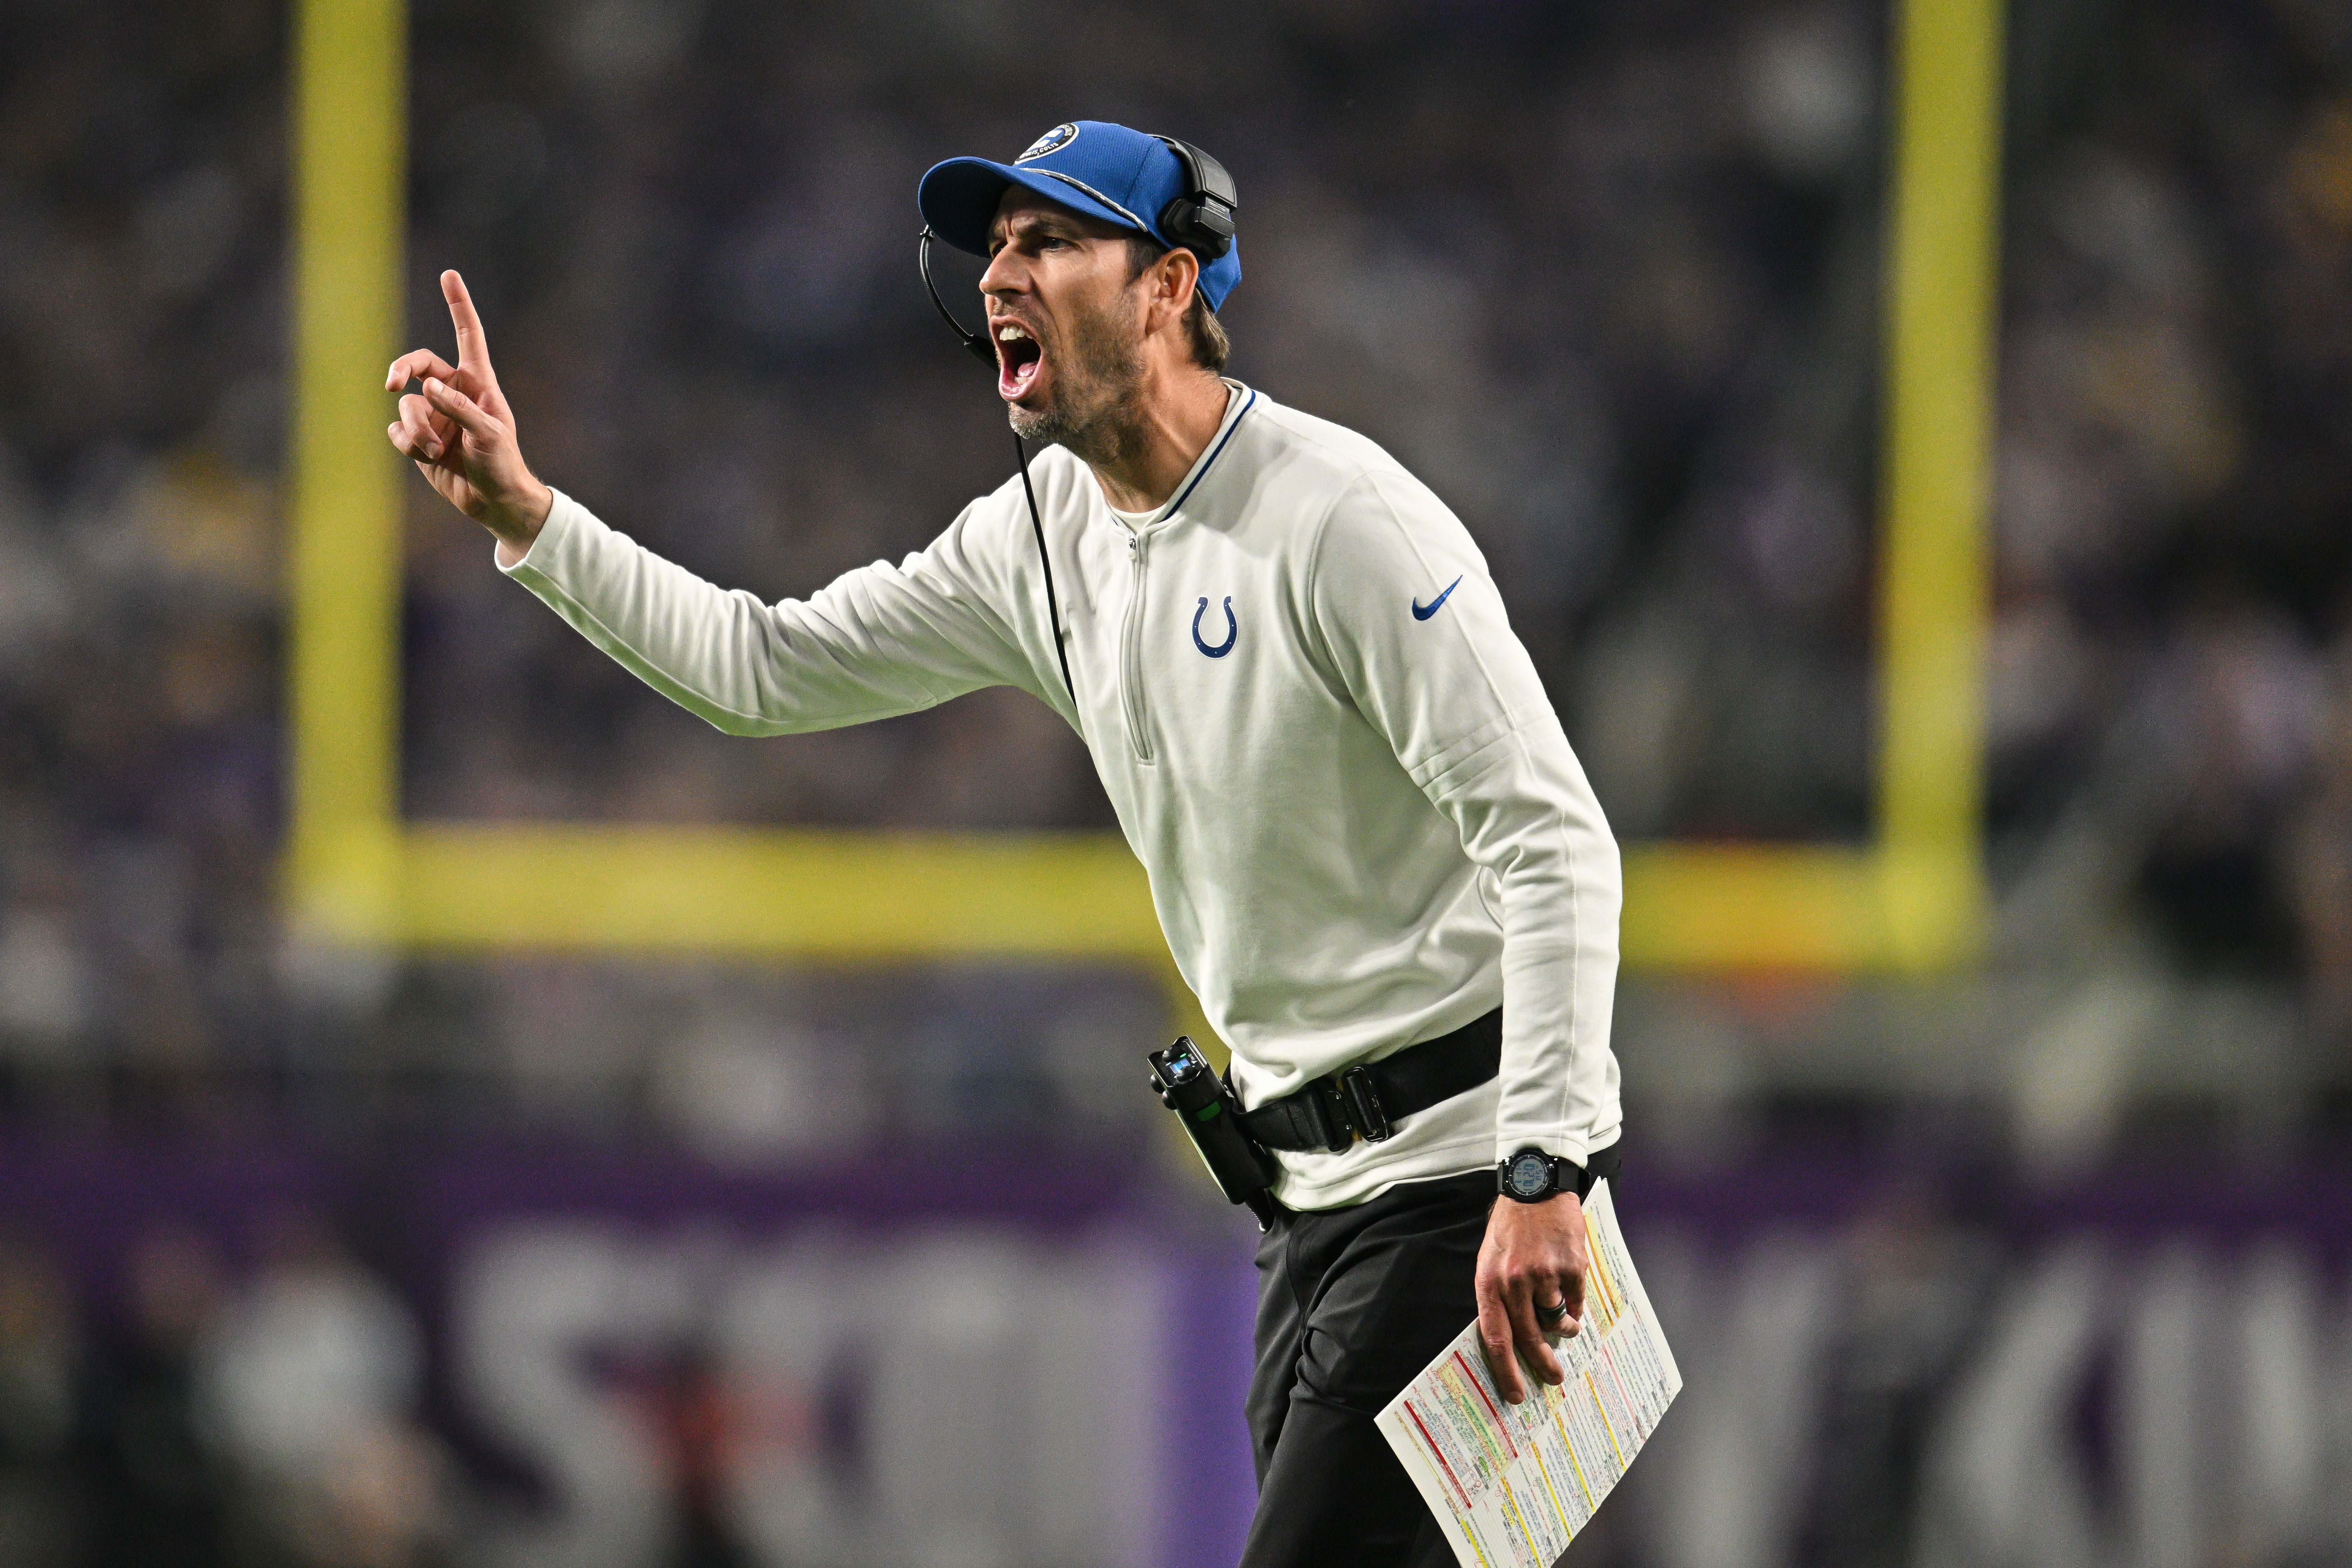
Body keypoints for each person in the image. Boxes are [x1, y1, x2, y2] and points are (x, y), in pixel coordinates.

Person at [385, 119, 1623, 1567]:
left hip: (1463, 1182)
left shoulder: (1343, 519)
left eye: (1050, 241)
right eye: (994, 248)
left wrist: (1543, 1171)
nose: (1000, 276)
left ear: (1167, 288)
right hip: (1313, 1214)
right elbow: (764, 666)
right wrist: (531, 518)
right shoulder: (1041, 533)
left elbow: (1553, 839)